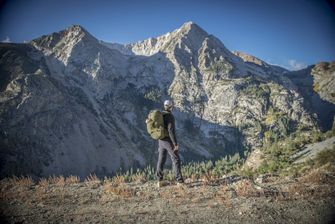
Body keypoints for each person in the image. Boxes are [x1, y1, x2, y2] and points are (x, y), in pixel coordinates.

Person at [156, 100, 184, 187]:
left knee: (161, 159)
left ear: (164, 106)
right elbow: (171, 131)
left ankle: (159, 181)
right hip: (168, 140)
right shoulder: (170, 116)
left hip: (161, 140)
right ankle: (179, 181)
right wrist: (175, 143)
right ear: (171, 107)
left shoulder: (161, 115)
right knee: (176, 159)